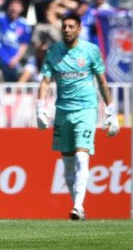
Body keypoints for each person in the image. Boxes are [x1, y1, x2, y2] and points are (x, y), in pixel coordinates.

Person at [36, 13, 119, 221]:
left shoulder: (90, 51)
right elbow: (46, 82)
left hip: (86, 110)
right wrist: (40, 108)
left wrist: (111, 112)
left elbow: (101, 80)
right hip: (63, 111)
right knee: (68, 164)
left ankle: (78, 205)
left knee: (82, 156)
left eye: (71, 26)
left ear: (79, 29)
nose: (66, 30)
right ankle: (78, 209)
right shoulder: (54, 52)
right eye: (64, 26)